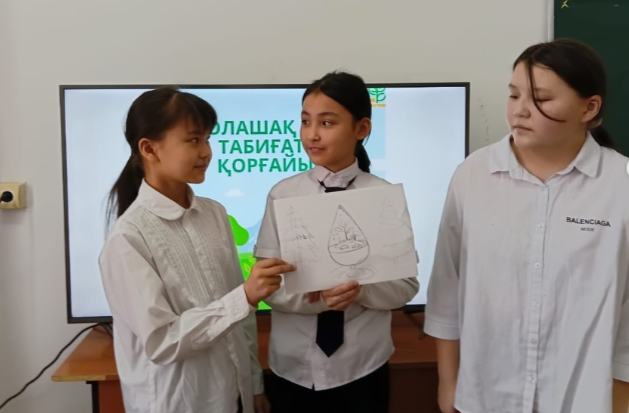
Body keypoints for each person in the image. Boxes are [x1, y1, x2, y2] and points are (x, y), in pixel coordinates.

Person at [425, 39, 629, 413]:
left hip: (585, 398)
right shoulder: (474, 174)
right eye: (514, 95)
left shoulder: (621, 183)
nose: (519, 110)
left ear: (589, 107)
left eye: (540, 99)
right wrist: (448, 381)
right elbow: (446, 288)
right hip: (485, 396)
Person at [99, 87, 295, 413]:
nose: (206, 152)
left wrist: (253, 383)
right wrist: (245, 296)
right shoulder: (128, 238)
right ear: (149, 148)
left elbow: (241, 318)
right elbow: (162, 341)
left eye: (207, 139)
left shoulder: (214, 213)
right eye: (193, 140)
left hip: (234, 394)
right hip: (178, 404)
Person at [254, 71, 419, 413]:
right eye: (305, 121)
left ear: (361, 128)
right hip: (292, 368)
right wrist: (317, 300)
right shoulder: (283, 194)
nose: (312, 134)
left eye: (327, 123)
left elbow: (405, 287)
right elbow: (267, 284)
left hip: (363, 368)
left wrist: (361, 290)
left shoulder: (383, 196)